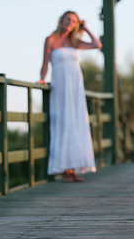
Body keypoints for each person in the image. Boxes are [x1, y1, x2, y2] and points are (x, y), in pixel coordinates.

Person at [37, 11, 102, 182]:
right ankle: (64, 170)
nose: (70, 23)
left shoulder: (74, 41)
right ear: (62, 20)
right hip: (60, 87)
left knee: (76, 124)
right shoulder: (50, 40)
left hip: (76, 87)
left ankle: (73, 169)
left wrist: (85, 28)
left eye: (74, 21)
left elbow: (97, 45)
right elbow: (45, 64)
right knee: (63, 124)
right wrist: (42, 78)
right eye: (68, 19)